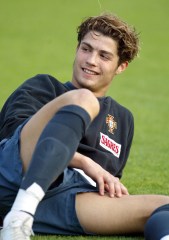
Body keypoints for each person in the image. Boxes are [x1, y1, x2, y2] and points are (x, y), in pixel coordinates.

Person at [0, 13, 169, 240]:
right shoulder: (43, 86)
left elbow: (107, 179)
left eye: (104, 56)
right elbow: (17, 140)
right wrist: (86, 162)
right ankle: (19, 215)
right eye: (86, 49)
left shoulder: (123, 119)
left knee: (164, 206)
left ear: (121, 66)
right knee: (84, 99)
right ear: (77, 49)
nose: (91, 60)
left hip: (69, 200)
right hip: (17, 175)